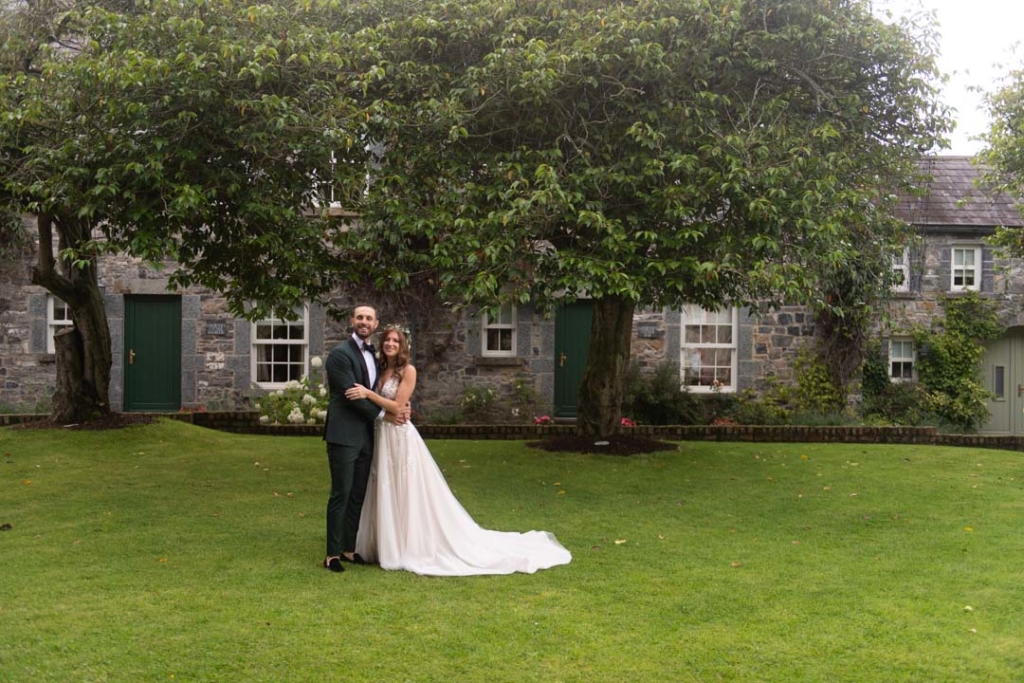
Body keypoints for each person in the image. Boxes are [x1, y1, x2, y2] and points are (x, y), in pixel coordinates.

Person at [345, 325, 572, 576]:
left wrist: (368, 394)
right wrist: (376, 403)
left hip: (399, 437)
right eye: (386, 340)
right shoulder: (380, 369)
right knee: (383, 485)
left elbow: (398, 406)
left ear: (402, 346)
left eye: (395, 341)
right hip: (382, 434)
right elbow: (387, 408)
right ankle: (384, 542)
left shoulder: (408, 370)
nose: (390, 344)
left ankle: (407, 544)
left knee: (404, 487)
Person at [322, 305, 408, 573]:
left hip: (367, 436)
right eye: (359, 317)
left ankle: (349, 548)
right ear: (352, 321)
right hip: (344, 435)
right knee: (342, 493)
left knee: (358, 494)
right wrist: (386, 414)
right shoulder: (339, 355)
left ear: (375, 323)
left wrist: (399, 406)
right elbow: (352, 396)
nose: (364, 321)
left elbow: (381, 389)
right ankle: (332, 555)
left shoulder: (376, 356)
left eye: (368, 318)